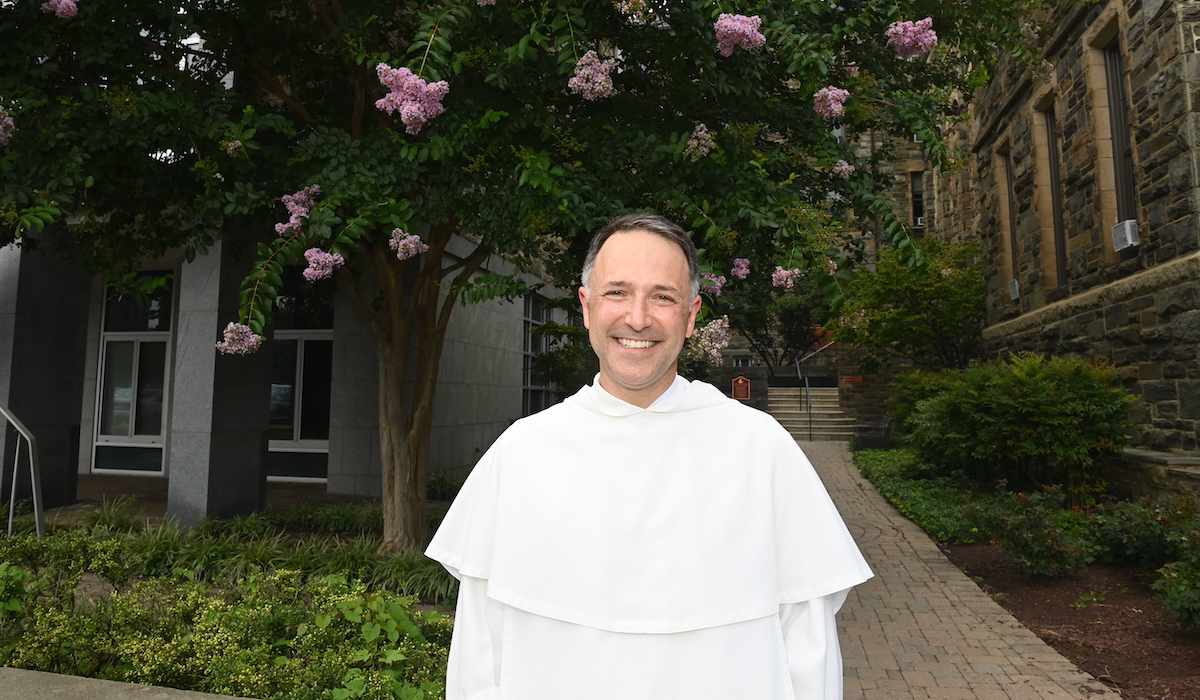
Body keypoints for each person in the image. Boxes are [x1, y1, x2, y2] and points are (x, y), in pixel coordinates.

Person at [426, 213, 872, 700]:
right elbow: (479, 651)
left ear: (691, 314)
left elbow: (808, 649)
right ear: (586, 306)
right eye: (617, 292)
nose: (637, 318)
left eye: (663, 296)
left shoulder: (759, 449)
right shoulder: (522, 452)